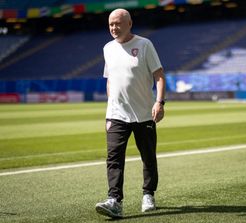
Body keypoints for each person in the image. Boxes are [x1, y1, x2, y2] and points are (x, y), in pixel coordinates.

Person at [95, 8, 166, 219]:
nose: (113, 28)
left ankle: (148, 193)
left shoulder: (144, 45)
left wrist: (159, 102)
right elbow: (110, 78)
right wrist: (111, 104)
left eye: (117, 23)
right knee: (114, 158)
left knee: (148, 157)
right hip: (116, 115)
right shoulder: (107, 48)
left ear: (129, 23)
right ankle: (114, 200)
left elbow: (159, 76)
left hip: (144, 113)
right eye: (110, 24)